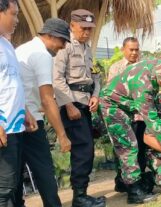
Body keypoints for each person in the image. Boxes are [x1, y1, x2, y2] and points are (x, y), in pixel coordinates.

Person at [100, 58, 161, 204]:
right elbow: (153, 121)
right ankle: (134, 191)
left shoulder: (156, 66)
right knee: (127, 145)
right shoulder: (143, 84)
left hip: (125, 104)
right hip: (111, 105)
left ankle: (122, 182)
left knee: (127, 143)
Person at [15, 18, 72, 207]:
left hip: (14, 120)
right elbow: (48, 99)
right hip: (31, 122)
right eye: (62, 41)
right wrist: (62, 135)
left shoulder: (20, 49)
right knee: (44, 170)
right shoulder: (41, 55)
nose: (63, 47)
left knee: (14, 175)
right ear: (49, 35)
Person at [53, 9, 105, 207]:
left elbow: (95, 76)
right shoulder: (64, 47)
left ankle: (82, 194)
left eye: (89, 29)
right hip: (71, 104)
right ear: (72, 25)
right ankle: (79, 197)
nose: (86, 32)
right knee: (83, 149)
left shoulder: (87, 48)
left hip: (85, 102)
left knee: (87, 148)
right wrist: (67, 104)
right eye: (83, 28)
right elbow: (57, 80)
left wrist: (95, 95)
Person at [0, 0, 37, 206]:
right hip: (2, 127)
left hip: (15, 126)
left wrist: (26, 111)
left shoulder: (6, 44)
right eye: (13, 14)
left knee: (12, 185)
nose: (16, 20)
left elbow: (11, 82)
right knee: (3, 188)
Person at [107, 37, 148, 192]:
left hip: (140, 115)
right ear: (123, 50)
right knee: (123, 150)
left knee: (140, 148)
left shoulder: (143, 66)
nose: (134, 52)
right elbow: (111, 92)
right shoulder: (116, 68)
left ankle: (138, 181)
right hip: (122, 116)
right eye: (131, 49)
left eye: (136, 49)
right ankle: (121, 181)